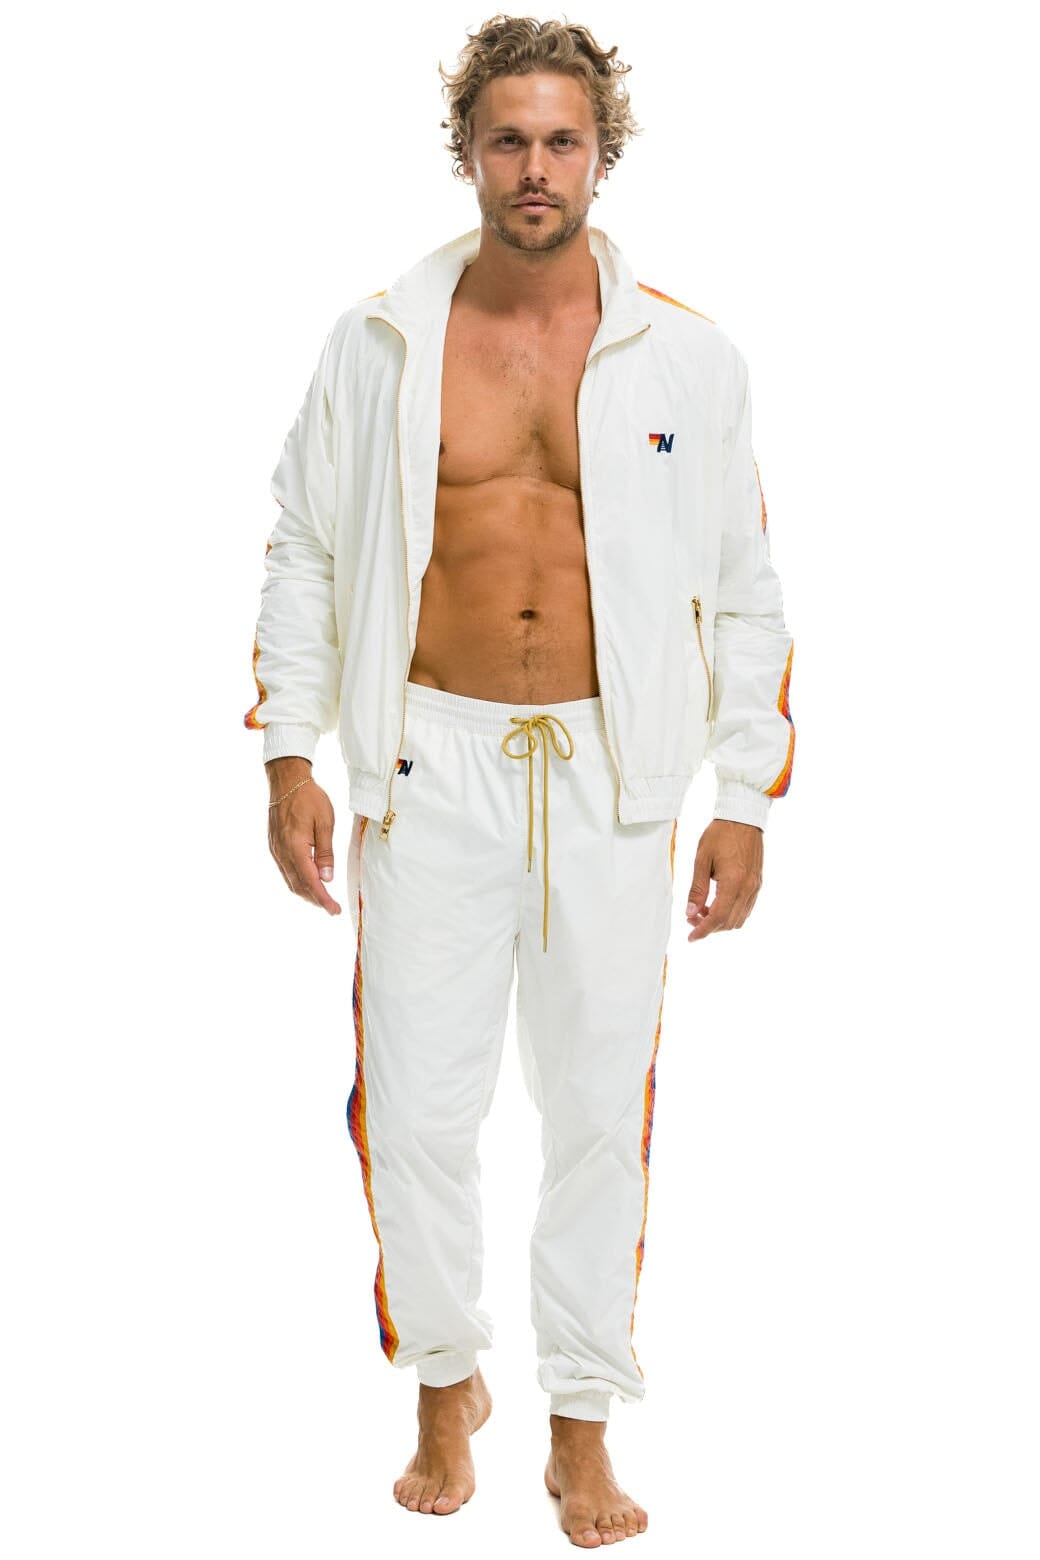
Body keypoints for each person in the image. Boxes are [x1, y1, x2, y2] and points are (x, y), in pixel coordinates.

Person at [243, 13, 795, 1548]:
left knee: (599, 1116)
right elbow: (304, 548)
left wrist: (744, 796)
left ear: (603, 153)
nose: (534, 166)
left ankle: (580, 1420)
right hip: (430, 762)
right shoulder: (378, 343)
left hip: (617, 777)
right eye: (508, 140)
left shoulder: (689, 355)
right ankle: (443, 1382)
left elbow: (747, 585)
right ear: (467, 153)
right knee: (416, 1111)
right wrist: (290, 752)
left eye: (562, 140)